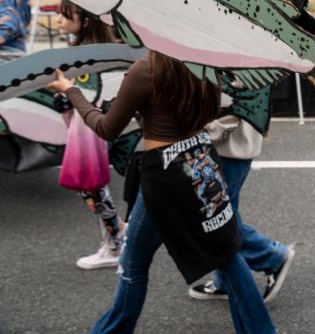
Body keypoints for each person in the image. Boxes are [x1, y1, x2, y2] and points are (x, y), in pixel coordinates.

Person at [48, 51, 275, 333]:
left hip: (166, 175)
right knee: (225, 251)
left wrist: (71, 91)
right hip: (202, 159)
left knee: (134, 265)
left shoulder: (147, 68)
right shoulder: (205, 59)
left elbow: (107, 128)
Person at [189, 114, 296, 303]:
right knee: (224, 214)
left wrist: (203, 131)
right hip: (227, 144)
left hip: (225, 146)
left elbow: (237, 104)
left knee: (216, 220)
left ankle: (271, 256)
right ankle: (225, 281)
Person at [56, 0, 127, 270]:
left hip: (88, 129)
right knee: (92, 187)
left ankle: (115, 240)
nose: (59, 21)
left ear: (85, 21)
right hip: (92, 125)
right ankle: (116, 235)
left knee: (90, 186)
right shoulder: (96, 51)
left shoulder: (85, 57)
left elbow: (84, 96)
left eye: (65, 16)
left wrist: (63, 94)